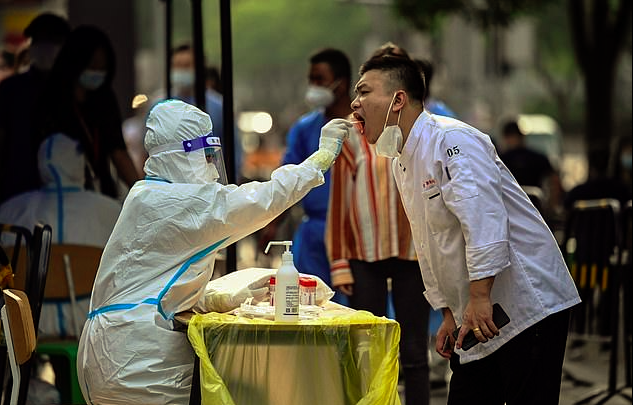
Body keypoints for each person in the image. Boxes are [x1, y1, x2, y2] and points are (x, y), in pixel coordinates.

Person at [76, 99, 351, 404]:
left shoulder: (148, 194)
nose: (210, 165)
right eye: (204, 156)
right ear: (180, 155)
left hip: (120, 350)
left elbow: (155, 288)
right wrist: (318, 161)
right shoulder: (171, 201)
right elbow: (259, 200)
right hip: (137, 359)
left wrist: (225, 299)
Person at [350, 55, 580, 404]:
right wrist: (447, 312)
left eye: (364, 91)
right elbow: (429, 243)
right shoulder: (402, 161)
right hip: (476, 316)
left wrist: (479, 297)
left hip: (526, 305)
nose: (355, 103)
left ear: (398, 100)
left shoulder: (452, 140)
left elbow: (483, 220)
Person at [325, 116, 431, 404]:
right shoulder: (353, 136)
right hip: (364, 254)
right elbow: (339, 202)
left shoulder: (421, 133)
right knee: (367, 352)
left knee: (414, 352)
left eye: (366, 91)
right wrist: (340, 262)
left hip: (414, 254)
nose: (358, 101)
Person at [0, 133, 122, 337]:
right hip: (92, 323)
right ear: (80, 163)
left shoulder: (9, 211)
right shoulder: (111, 211)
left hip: (26, 326)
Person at [277, 48, 353, 303]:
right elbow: (288, 177)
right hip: (314, 232)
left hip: (353, 233)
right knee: (308, 303)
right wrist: (272, 221)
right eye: (311, 79)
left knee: (354, 311)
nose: (312, 86)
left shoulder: (361, 128)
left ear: (341, 84)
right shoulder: (304, 128)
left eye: (319, 79)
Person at [36, 24, 140, 200]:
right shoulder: (51, 100)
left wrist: (140, 191)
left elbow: (118, 152)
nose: (98, 72)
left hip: (100, 189)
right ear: (76, 62)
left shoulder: (104, 99)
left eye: (102, 67)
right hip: (59, 193)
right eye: (93, 65)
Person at [0, 12, 71, 204]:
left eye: (53, 40)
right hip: (17, 190)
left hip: (66, 195)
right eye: (40, 41)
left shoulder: (73, 92)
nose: (46, 48)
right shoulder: (10, 90)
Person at [498, 119, 561, 215]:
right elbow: (555, 179)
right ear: (522, 136)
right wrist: (551, 206)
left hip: (510, 209)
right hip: (535, 207)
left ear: (505, 137)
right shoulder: (538, 157)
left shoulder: (501, 160)